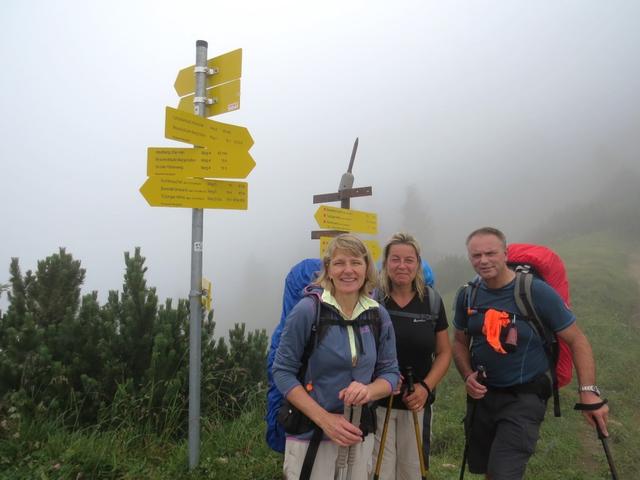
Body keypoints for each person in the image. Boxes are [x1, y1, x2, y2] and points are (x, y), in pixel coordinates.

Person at [452, 227, 609, 480]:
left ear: (505, 253)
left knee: (503, 473)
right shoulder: (467, 295)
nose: (483, 260)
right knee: (490, 470)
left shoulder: (536, 292)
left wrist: (589, 392)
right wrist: (467, 374)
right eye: (476, 255)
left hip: (524, 397)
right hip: (483, 398)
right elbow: (459, 341)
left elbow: (577, 340)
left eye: (490, 253)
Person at [273, 233, 400, 480]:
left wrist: (369, 391)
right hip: (310, 434)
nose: (348, 270)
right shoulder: (308, 311)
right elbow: (282, 371)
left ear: (367, 268)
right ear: (328, 269)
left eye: (356, 262)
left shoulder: (378, 315)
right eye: (340, 263)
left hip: (359, 431)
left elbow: (390, 373)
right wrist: (325, 420)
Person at [371, 232, 452, 479]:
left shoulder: (431, 301)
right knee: (377, 472)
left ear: (418, 263)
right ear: (385, 263)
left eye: (409, 259)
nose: (402, 266)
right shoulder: (373, 301)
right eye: (395, 259)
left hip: (417, 402)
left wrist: (426, 388)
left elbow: (444, 352)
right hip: (377, 402)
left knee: (413, 472)